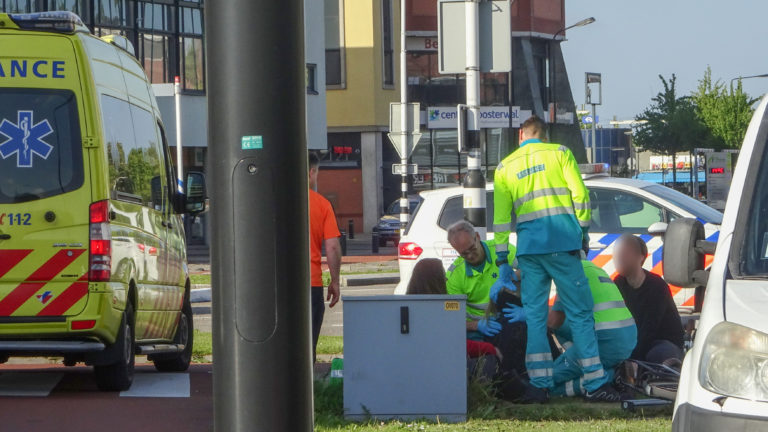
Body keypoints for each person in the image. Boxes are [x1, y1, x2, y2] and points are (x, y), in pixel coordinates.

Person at [493, 115, 618, 402]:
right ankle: (595, 382)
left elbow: (500, 219)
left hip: (529, 251)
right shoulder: (560, 153)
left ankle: (540, 385)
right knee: (580, 314)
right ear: (545, 135)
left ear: (521, 136)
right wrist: (583, 232)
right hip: (563, 245)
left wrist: (502, 260)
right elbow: (581, 197)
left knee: (535, 318)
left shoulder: (505, 167)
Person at [505, 260, 637, 400]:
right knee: (560, 328)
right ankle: (591, 367)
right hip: (625, 337)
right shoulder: (590, 267)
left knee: (546, 380)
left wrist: (529, 314)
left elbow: (555, 320)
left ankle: (610, 377)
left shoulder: (568, 275)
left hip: (605, 340)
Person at [613, 233, 684, 365]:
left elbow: (649, 329)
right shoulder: (618, 283)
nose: (619, 259)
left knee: (657, 354)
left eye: (624, 254)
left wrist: (632, 359)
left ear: (640, 257)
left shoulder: (657, 286)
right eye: (617, 255)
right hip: (634, 340)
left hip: (662, 342)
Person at [308, 153, 342, 363]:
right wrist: (335, 281)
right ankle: (307, 380)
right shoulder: (321, 204)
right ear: (311, 172)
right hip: (310, 284)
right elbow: (332, 246)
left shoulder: (273, 200)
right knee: (307, 344)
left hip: (277, 285)